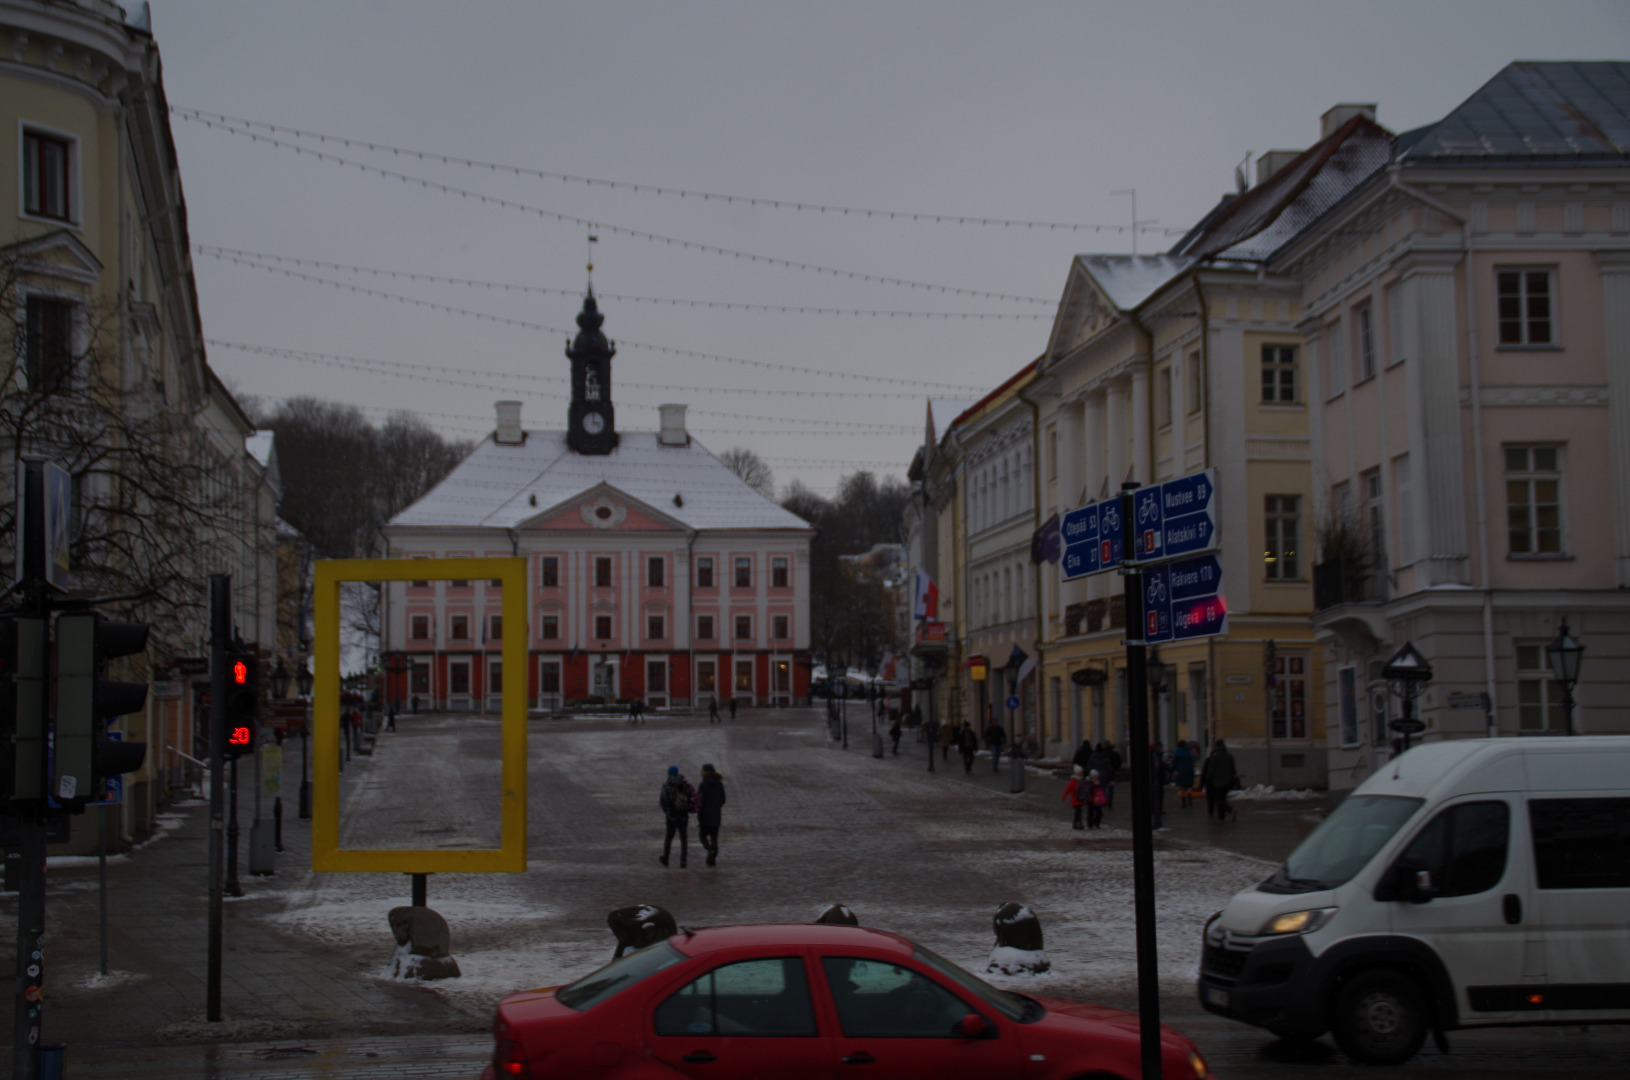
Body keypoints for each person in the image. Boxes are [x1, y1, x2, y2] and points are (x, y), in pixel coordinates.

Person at [658, 766, 696, 867]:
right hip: (683, 815)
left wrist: (667, 812)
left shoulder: (666, 785)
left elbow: (663, 801)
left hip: (671, 816)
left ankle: (666, 858)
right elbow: (690, 798)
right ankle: (683, 860)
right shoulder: (684, 784)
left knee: (669, 838)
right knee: (683, 838)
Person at [696, 763, 726, 867]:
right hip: (716, 816)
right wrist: (716, 807)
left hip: (705, 815)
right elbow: (723, 799)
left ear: (705, 772)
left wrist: (699, 810)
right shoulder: (719, 784)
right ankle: (712, 860)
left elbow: (699, 800)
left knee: (702, 835)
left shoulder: (703, 784)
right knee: (714, 838)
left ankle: (709, 850)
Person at [1201, 738, 1238, 821]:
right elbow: (1233, 769)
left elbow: (1211, 771)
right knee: (1223, 798)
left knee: (1219, 800)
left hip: (1217, 783)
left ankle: (1230, 809)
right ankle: (1222, 816)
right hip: (1227, 782)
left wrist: (1206, 781)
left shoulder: (1215, 757)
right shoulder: (1229, 756)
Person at [1061, 765, 1089, 830]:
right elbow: (1067, 789)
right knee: (1078, 812)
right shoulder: (1073, 781)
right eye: (1080, 772)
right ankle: (1077, 823)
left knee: (1079, 812)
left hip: (1081, 799)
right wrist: (1064, 796)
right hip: (1075, 799)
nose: (1081, 773)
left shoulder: (1082, 780)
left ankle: (1077, 823)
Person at [1171, 740, 1197, 809]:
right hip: (1189, 771)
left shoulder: (1177, 752)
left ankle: (1183, 803)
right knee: (1189, 786)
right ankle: (1189, 798)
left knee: (1182, 788)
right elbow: (1192, 760)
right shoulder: (1189, 751)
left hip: (1180, 771)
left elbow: (1174, 761)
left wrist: (1174, 769)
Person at [1149, 741, 1168, 829]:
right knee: (1156, 795)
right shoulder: (1155, 756)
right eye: (1160, 747)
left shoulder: (1156, 756)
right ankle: (1156, 813)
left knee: (1159, 795)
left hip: (1158, 780)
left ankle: (1158, 811)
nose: (1162, 749)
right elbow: (1159, 766)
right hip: (1155, 780)